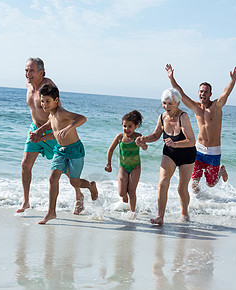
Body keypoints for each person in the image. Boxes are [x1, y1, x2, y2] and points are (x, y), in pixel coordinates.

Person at [165, 64, 236, 193]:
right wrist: (171, 78)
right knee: (194, 185)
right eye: (201, 91)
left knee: (211, 184)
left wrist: (233, 80)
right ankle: (200, 207)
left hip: (214, 151)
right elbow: (180, 93)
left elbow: (226, 93)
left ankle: (221, 170)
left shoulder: (216, 106)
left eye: (205, 91)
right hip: (198, 150)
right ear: (198, 93)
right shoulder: (196, 107)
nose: (203, 93)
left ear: (210, 94)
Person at [36, 83, 97, 224]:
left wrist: (70, 127)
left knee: (74, 181)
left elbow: (82, 118)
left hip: (75, 150)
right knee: (53, 177)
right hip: (60, 151)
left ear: (56, 100)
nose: (44, 104)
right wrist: (40, 137)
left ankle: (90, 186)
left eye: (47, 101)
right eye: (42, 101)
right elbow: (56, 135)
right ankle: (51, 212)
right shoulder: (51, 115)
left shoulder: (61, 113)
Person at [136, 88, 197, 225]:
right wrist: (143, 139)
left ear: (178, 103)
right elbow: (156, 135)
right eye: (164, 103)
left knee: (182, 188)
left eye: (170, 103)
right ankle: (160, 217)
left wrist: (175, 144)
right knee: (163, 183)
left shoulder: (184, 117)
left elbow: (192, 141)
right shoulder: (162, 117)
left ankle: (184, 213)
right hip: (169, 153)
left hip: (187, 154)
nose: (166, 107)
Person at [17, 57, 58, 213]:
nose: (28, 73)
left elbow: (57, 115)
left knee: (67, 171)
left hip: (50, 132)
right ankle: (26, 201)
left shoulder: (48, 87)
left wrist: (41, 131)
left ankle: (80, 195)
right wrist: (36, 129)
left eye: (31, 70)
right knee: (25, 165)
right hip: (34, 130)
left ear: (41, 72)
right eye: (26, 70)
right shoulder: (28, 85)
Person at [105, 110, 148, 212]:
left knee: (132, 191)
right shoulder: (119, 137)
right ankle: (124, 196)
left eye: (130, 126)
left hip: (135, 167)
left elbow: (145, 148)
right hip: (123, 168)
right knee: (121, 193)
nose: (126, 129)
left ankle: (132, 213)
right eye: (124, 126)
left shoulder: (138, 137)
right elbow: (110, 150)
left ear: (135, 126)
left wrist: (142, 145)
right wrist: (108, 164)